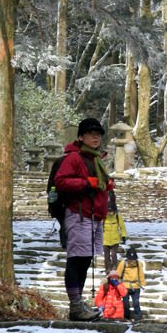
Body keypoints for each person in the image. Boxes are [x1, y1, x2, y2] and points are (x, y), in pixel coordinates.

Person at [54, 117, 114, 321]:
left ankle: (78, 303)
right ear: (81, 137)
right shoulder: (74, 157)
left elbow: (96, 185)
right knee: (76, 260)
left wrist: (105, 184)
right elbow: (60, 181)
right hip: (78, 215)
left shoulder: (96, 158)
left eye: (98, 134)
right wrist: (87, 183)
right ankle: (75, 305)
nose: (96, 137)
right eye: (91, 134)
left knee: (86, 260)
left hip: (94, 217)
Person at [117, 246, 146, 321]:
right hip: (125, 286)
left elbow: (141, 274)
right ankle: (127, 317)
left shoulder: (138, 263)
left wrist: (143, 283)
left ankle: (137, 319)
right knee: (126, 304)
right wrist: (117, 284)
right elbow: (118, 274)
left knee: (136, 303)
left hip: (135, 286)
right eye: (130, 259)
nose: (131, 261)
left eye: (133, 259)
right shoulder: (123, 263)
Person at [103, 190, 127, 273]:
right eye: (108, 212)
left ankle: (114, 268)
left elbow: (122, 227)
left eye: (111, 211)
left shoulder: (117, 217)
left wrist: (124, 235)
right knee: (106, 256)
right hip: (105, 240)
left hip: (115, 240)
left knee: (113, 255)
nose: (109, 213)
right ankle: (107, 269)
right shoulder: (103, 217)